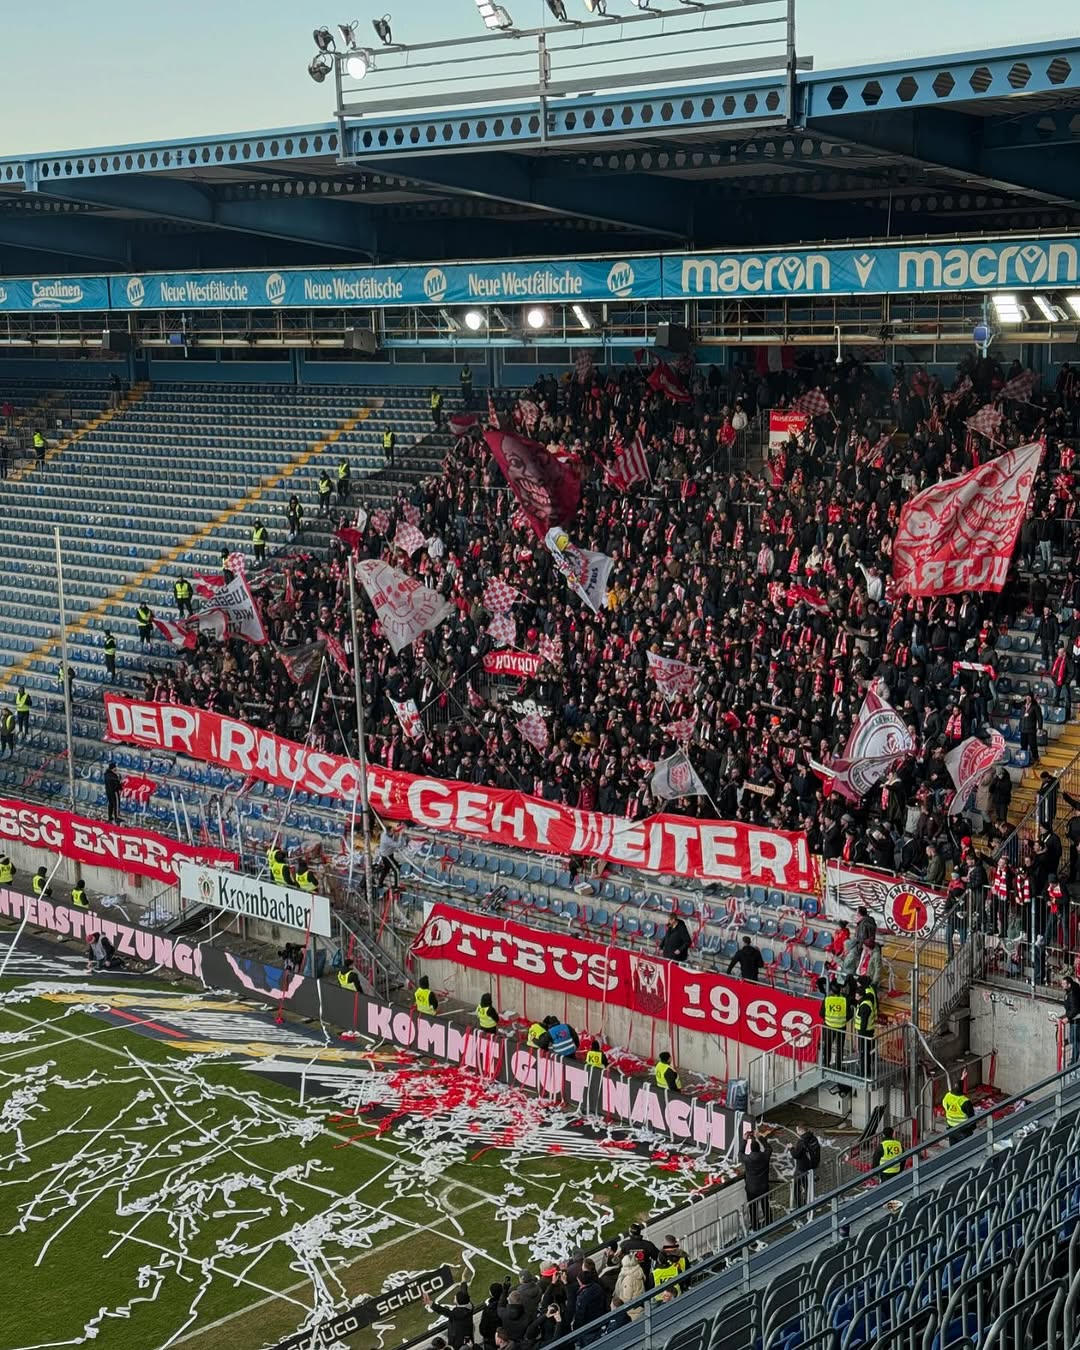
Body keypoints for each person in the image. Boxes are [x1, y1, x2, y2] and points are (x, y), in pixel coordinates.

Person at [424, 1285, 475, 1350]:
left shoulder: (457, 1314)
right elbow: (465, 1294)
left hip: (459, 1344)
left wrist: (430, 1303)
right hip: (467, 1341)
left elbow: (444, 1311)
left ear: (459, 1301)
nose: (454, 1297)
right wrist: (463, 1283)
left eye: (455, 1297)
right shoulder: (469, 1307)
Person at [571, 1261, 609, 1343]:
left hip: (589, 1328)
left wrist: (575, 1329)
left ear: (581, 1282)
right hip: (601, 1320)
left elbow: (580, 1316)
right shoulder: (597, 1287)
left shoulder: (582, 1297)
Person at [742, 1130, 773, 1229]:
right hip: (763, 1186)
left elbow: (740, 1152)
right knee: (765, 1205)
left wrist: (744, 1140)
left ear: (750, 1149)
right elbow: (769, 1148)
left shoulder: (747, 1159)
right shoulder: (764, 1156)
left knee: (753, 1208)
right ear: (759, 1148)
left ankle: (755, 1226)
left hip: (751, 1189)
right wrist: (760, 1137)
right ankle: (769, 1223)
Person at [789, 1123, 821, 1210]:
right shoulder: (814, 1139)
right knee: (808, 1186)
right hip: (812, 1167)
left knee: (796, 1187)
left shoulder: (801, 1141)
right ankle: (808, 1202)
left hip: (802, 1168)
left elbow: (796, 1155)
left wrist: (791, 1148)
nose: (796, 1132)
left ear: (800, 1130)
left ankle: (799, 1206)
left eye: (797, 1130)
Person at [821, 977, 848, 1071]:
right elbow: (849, 1014)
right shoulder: (844, 1000)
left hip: (829, 1026)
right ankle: (838, 1066)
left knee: (827, 1046)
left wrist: (828, 1019)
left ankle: (826, 1065)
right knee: (839, 1047)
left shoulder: (827, 1000)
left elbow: (821, 1013)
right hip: (841, 1027)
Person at [853, 979, 877, 1077]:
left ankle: (864, 1072)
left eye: (856, 995)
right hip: (867, 1030)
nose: (855, 997)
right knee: (865, 1052)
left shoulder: (864, 1006)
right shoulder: (864, 1003)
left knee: (864, 1053)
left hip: (865, 1032)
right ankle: (866, 1070)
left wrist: (861, 1034)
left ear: (861, 996)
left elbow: (864, 1022)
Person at [1061, 975, 1080, 1066]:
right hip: (1074, 1020)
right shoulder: (1071, 992)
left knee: (1076, 1041)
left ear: (1069, 984)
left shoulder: (1072, 994)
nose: (1062, 985)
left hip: (1076, 1021)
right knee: (1075, 1040)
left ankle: (1074, 1061)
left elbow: (1075, 1009)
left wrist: (1067, 1018)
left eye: (1064, 984)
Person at [1020, 693, 1044, 765]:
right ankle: (1024, 759)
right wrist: (1013, 700)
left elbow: (1040, 718)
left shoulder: (1035, 707)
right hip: (1023, 729)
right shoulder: (1023, 706)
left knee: (1033, 745)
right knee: (1023, 745)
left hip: (1031, 730)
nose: (1027, 699)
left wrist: (1040, 728)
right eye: (1026, 697)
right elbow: (1014, 705)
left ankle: (1036, 759)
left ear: (1031, 699)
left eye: (1029, 697)